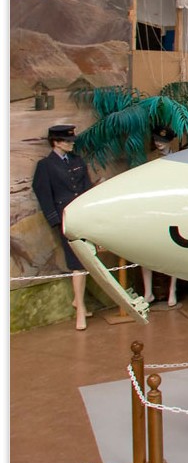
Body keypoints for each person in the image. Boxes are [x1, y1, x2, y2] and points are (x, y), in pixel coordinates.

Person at [32, 124, 93, 330]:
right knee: (77, 263)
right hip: (65, 218)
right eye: (67, 141)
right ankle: (80, 309)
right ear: (56, 142)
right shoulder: (46, 166)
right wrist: (55, 220)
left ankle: (79, 301)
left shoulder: (77, 161)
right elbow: (43, 193)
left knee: (85, 260)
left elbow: (86, 187)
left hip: (82, 216)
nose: (71, 144)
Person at [142, 125, 179, 308]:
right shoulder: (150, 159)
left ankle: (172, 290)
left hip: (173, 209)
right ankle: (148, 292)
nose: (159, 143)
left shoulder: (180, 158)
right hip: (154, 209)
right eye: (157, 140)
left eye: (163, 141)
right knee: (145, 251)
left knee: (174, 252)